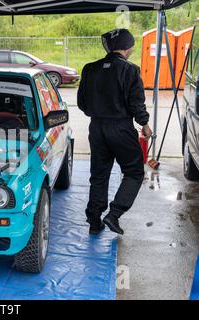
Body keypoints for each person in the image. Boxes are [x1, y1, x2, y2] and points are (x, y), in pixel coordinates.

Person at [77, 28, 152, 236]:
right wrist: (144, 123)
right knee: (134, 172)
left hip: (97, 127)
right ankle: (114, 214)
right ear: (127, 49)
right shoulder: (130, 70)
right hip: (121, 127)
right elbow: (136, 102)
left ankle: (94, 219)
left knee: (99, 174)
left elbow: (82, 103)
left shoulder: (89, 68)